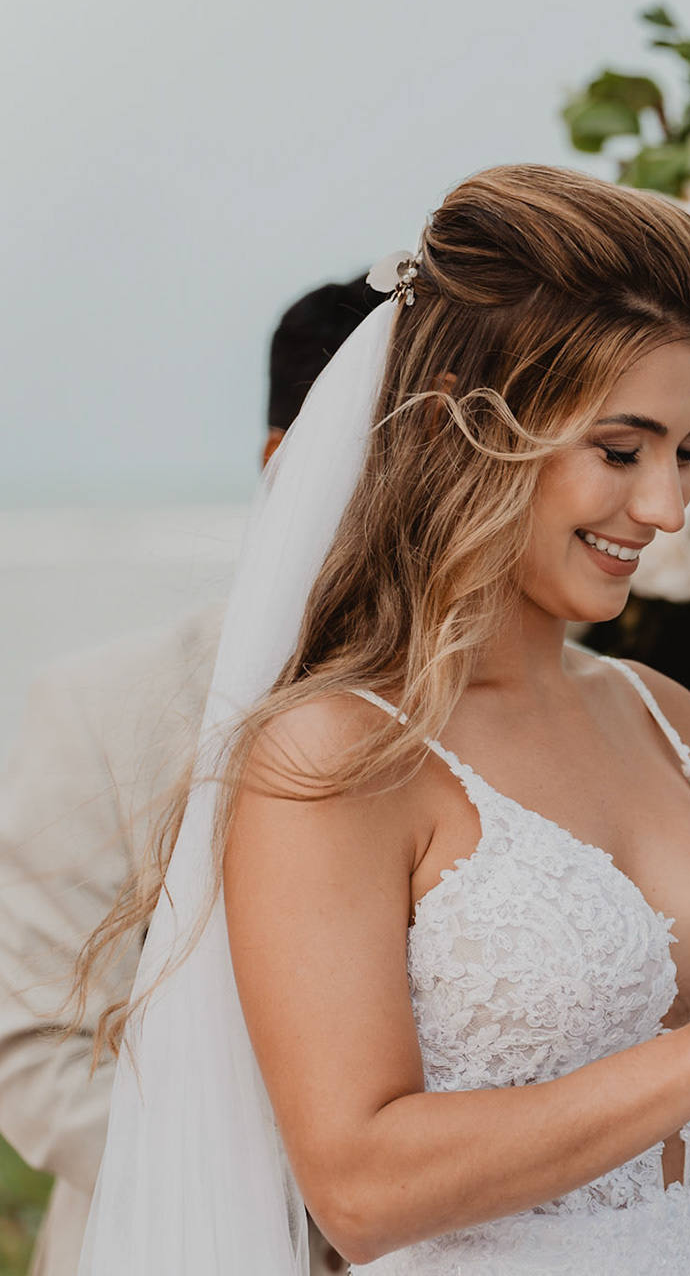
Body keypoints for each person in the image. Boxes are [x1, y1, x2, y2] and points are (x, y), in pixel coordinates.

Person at [67, 164, 690, 1275]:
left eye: (687, 452)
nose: (669, 507)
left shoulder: (662, 714)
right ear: (463, 425)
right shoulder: (335, 752)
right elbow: (359, 1184)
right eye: (622, 448)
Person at [0, 276, 384, 1276]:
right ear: (283, 461)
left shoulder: (551, 706)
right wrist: (325, 1209)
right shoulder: (101, 705)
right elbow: (37, 1047)